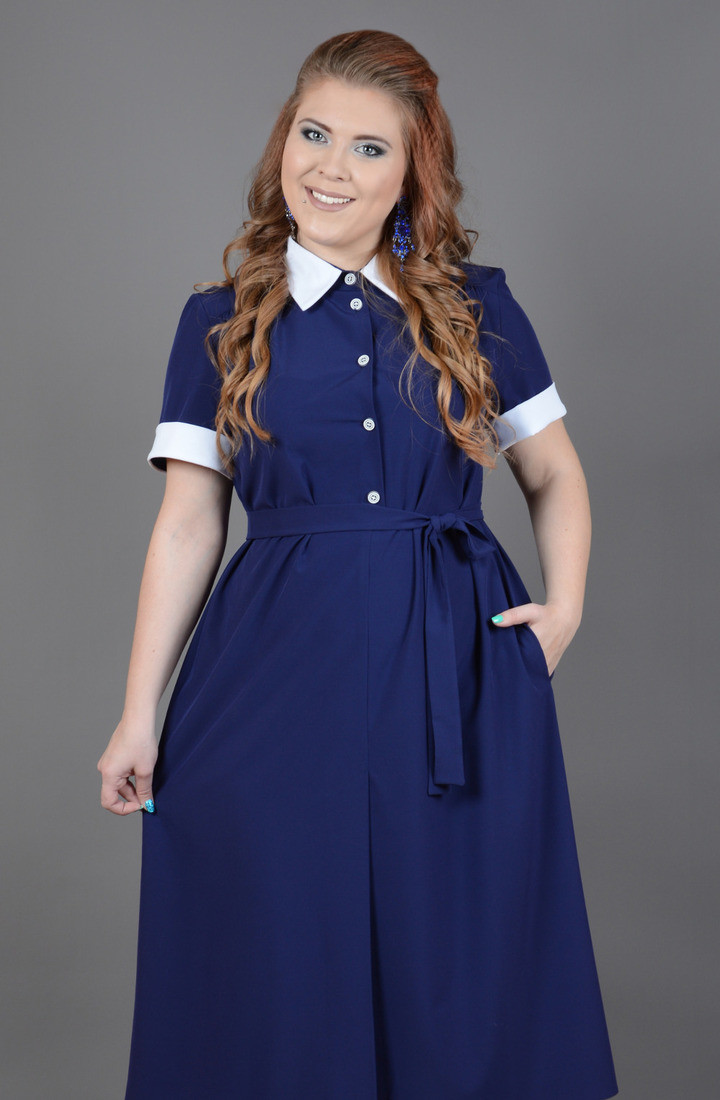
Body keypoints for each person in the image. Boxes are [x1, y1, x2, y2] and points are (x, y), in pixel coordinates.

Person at [97, 28, 618, 1100]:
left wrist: (563, 608)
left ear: (412, 171)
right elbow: (188, 524)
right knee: (277, 956)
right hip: (273, 675)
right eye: (313, 134)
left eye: (368, 147)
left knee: (459, 959)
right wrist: (138, 713)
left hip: (457, 676)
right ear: (282, 142)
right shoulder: (217, 323)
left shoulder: (478, 306)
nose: (330, 167)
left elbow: (555, 474)